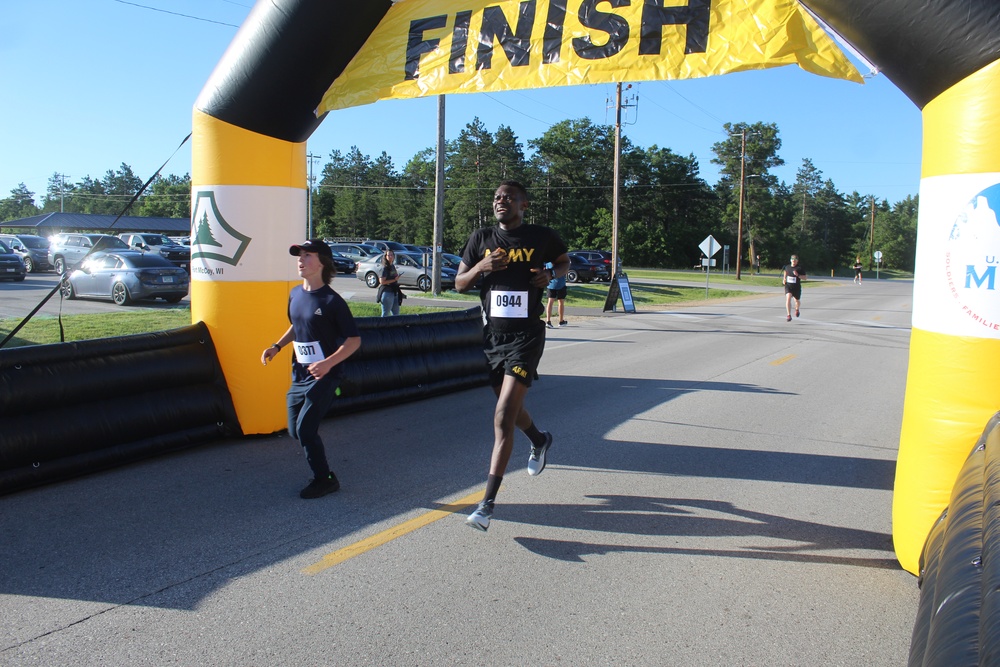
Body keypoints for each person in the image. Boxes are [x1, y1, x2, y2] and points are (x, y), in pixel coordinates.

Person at [456, 180, 571, 532]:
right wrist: (482, 268)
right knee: (513, 410)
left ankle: (486, 505)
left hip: (526, 335)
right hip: (493, 337)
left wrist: (550, 274)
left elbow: (565, 261)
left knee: (503, 414)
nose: (500, 202)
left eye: (508, 198)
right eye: (496, 198)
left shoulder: (541, 236)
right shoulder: (481, 239)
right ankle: (539, 439)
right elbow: (459, 283)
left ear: (523, 205)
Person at [261, 239, 362, 499]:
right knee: (295, 430)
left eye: (307, 255)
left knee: (306, 430)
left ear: (322, 262)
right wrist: (277, 346)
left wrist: (328, 363)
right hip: (300, 374)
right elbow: (297, 326)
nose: (300, 260)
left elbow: (354, 341)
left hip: (326, 375)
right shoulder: (295, 293)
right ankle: (323, 474)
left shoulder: (332, 301)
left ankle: (324, 478)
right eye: (299, 255)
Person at [781, 254, 806, 322]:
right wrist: (784, 279)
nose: (793, 261)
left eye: (795, 260)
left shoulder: (799, 268)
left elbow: (805, 278)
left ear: (797, 261)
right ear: (790, 260)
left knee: (797, 301)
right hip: (788, 286)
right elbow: (785, 272)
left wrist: (798, 275)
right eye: (792, 260)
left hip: (796, 287)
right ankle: (789, 315)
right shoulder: (787, 267)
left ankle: (797, 309)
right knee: (788, 298)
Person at [377, 250, 402, 316]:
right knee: (385, 314)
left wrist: (397, 277)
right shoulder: (384, 268)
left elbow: (393, 276)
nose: (391, 256)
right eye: (389, 255)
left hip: (394, 291)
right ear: (385, 257)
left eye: (392, 255)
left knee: (396, 314)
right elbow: (382, 281)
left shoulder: (392, 266)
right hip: (387, 292)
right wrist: (394, 280)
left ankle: (395, 326)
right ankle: (383, 326)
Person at [544, 261, 567, 328]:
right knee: (561, 302)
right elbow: (565, 271)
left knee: (550, 302)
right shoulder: (561, 263)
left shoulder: (548, 263)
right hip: (561, 284)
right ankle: (561, 320)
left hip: (551, 284)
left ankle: (548, 320)